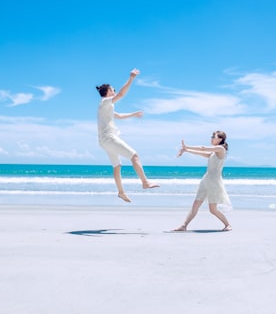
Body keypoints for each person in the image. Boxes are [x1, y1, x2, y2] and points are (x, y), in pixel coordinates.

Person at [96, 68, 159, 203]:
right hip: (109, 138)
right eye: (113, 89)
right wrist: (131, 78)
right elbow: (121, 95)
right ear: (108, 92)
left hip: (104, 141)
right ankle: (145, 182)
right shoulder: (105, 102)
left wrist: (133, 114)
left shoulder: (106, 106)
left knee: (117, 166)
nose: (114, 91)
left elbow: (118, 116)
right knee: (134, 156)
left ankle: (121, 192)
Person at [173, 131, 232, 231]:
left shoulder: (220, 149)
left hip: (214, 182)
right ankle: (184, 226)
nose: (212, 138)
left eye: (214, 136)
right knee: (196, 204)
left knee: (212, 209)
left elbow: (203, 148)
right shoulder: (213, 152)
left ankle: (228, 225)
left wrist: (187, 146)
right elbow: (201, 152)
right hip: (206, 180)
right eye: (212, 136)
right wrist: (186, 150)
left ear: (220, 139)